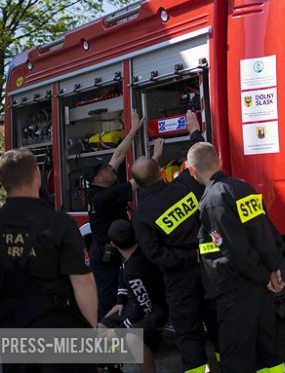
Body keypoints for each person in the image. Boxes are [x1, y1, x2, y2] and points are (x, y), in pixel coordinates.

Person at [0, 148, 97, 373]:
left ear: (3, 181)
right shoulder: (60, 224)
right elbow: (82, 282)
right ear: (37, 174)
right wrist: (90, 330)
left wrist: (3, 321)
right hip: (58, 324)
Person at [188, 142, 285, 373]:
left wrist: (264, 276)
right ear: (219, 160)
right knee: (267, 352)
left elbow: (235, 250)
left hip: (236, 287)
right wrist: (272, 269)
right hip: (259, 285)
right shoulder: (242, 187)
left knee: (235, 356)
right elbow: (267, 232)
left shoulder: (212, 200)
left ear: (192, 170)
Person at [131, 111, 218, 373]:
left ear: (138, 184)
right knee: (217, 322)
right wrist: (194, 131)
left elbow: (155, 254)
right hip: (207, 268)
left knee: (188, 332)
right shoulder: (183, 186)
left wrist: (185, 259)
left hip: (179, 279)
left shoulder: (142, 214)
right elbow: (201, 162)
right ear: (161, 172)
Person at [84, 109, 144, 321]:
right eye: (105, 169)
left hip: (110, 250)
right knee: (109, 300)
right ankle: (106, 344)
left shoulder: (100, 186)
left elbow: (118, 154)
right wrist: (154, 158)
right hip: (106, 256)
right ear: (98, 178)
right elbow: (140, 180)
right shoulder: (104, 197)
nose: (110, 169)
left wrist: (134, 129)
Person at [99, 220, 168, 373]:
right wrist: (120, 301)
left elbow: (145, 307)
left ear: (113, 244)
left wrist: (121, 330)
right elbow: (122, 276)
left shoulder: (135, 268)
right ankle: (114, 368)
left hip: (157, 308)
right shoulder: (130, 256)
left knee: (131, 338)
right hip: (137, 303)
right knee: (102, 328)